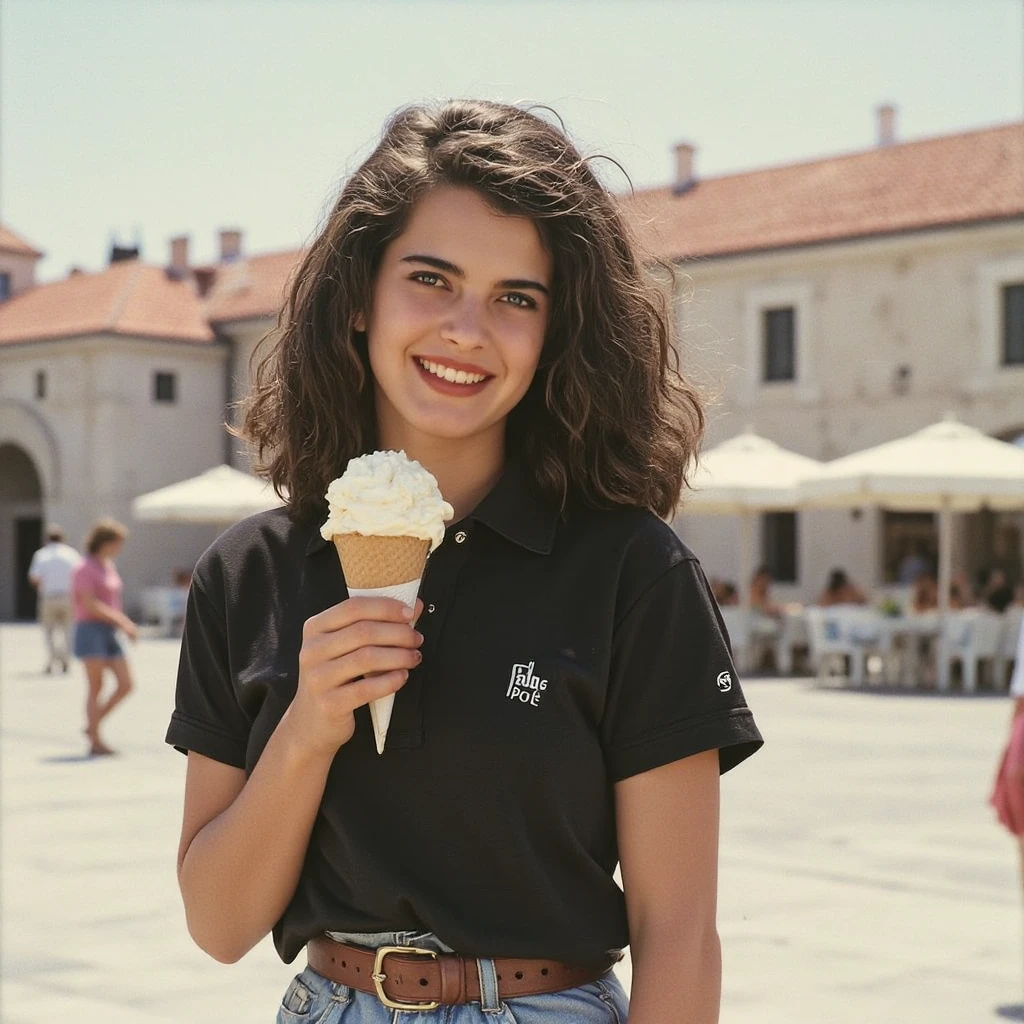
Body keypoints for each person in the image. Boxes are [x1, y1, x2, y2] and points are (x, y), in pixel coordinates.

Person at [166, 100, 762, 1024]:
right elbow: (217, 923)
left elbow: (680, 933)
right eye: (432, 278)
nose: (466, 329)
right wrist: (309, 724)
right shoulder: (249, 572)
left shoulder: (632, 573)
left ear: (557, 332)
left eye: (516, 297)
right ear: (359, 296)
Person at [71, 517, 138, 756]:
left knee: (126, 684)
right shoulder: (84, 568)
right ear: (105, 542)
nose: (120, 548)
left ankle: (92, 725)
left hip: (109, 630)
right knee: (96, 686)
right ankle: (95, 739)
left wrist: (120, 623)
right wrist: (123, 621)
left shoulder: (108, 566)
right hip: (90, 629)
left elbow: (112, 601)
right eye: (117, 543)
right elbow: (90, 605)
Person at [27, 524, 81, 673]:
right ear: (62, 538)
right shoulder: (71, 554)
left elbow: (34, 577)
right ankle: (66, 661)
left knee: (49, 632)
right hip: (67, 597)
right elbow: (79, 577)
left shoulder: (41, 555)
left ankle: (52, 660)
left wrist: (42, 585)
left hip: (49, 597)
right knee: (68, 631)